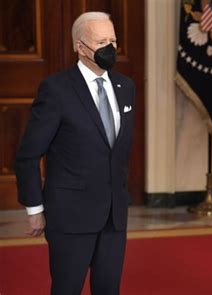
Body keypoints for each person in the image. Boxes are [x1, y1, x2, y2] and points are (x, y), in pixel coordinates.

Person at [15, 12, 135, 294]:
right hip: (69, 215)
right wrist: (34, 208)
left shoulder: (126, 87)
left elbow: (116, 151)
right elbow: (28, 155)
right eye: (102, 41)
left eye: (114, 40)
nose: (110, 48)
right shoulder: (56, 90)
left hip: (114, 216)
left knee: (108, 289)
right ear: (80, 47)